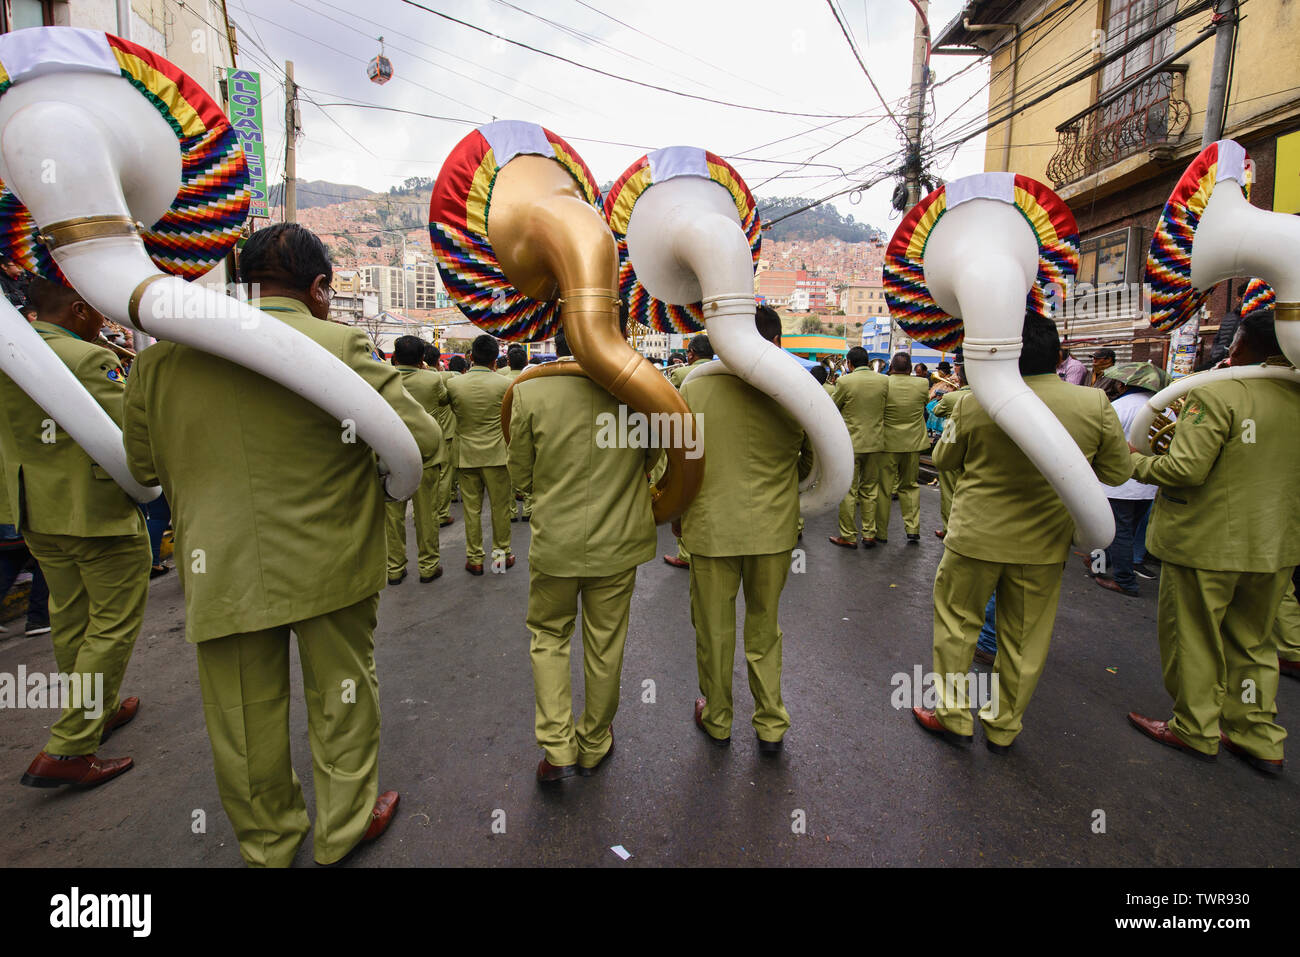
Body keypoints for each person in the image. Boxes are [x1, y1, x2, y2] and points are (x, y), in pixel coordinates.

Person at [123, 223, 441, 866]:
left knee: (242, 719)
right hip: (333, 566)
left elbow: (142, 467)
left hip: (221, 570)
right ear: (321, 287)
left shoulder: (160, 360)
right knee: (343, 696)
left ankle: (268, 842)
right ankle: (345, 827)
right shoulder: (340, 341)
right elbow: (423, 442)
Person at [913, 313, 1130, 752]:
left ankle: (954, 715)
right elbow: (1117, 471)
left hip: (975, 536)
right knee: (1024, 637)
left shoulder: (972, 402)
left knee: (957, 625)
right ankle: (1004, 724)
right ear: (1058, 355)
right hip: (1044, 543)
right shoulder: (1094, 404)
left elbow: (944, 459)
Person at [1126, 312, 1300, 775]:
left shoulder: (1216, 392)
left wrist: (1137, 463)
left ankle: (1195, 727)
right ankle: (1256, 735)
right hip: (1276, 543)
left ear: (1239, 344)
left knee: (1195, 637)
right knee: (1254, 642)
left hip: (1206, 542)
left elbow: (1184, 470)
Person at [0, 278, 151, 790]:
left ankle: (96, 710)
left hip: (35, 508)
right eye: (99, 314)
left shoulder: (10, 352)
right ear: (80, 309)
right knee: (112, 624)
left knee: (72, 618)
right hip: (96, 510)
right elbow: (131, 432)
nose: (104, 324)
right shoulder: (87, 359)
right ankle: (69, 747)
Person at [510, 329, 659, 782]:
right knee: (605, 644)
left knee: (548, 638)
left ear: (556, 345)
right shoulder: (639, 391)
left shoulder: (529, 392)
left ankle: (557, 748)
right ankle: (594, 742)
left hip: (555, 542)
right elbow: (652, 459)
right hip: (619, 544)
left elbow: (520, 473)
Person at [681, 306, 812, 753]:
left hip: (710, 527)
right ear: (777, 342)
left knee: (713, 630)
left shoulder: (695, 388)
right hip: (774, 530)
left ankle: (718, 718)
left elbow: (676, 460)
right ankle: (771, 722)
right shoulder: (797, 389)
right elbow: (813, 461)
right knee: (765, 627)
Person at [442, 334, 513, 575]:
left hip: (466, 455)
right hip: (497, 456)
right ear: (496, 360)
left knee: (471, 510)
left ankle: (474, 559)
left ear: (471, 357)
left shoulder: (453, 385)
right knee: (500, 508)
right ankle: (501, 556)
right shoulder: (505, 385)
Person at [1093, 363, 1163, 597]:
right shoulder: (1166, 410)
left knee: (1114, 532)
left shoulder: (1119, 406)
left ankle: (1122, 579)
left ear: (1123, 384)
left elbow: (1101, 442)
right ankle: (1098, 563)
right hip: (1149, 484)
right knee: (1126, 531)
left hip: (1119, 484)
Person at [384, 335, 446, 585]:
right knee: (426, 513)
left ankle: (395, 568)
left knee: (392, 513)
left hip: (389, 453)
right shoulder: (433, 379)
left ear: (394, 357)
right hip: (426, 454)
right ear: (423, 360)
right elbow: (443, 400)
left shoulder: (382, 380)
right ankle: (428, 565)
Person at [663, 334, 715, 568]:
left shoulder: (681, 374)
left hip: (689, 440)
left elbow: (669, 406)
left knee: (688, 494)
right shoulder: (721, 370)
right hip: (715, 439)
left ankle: (685, 553)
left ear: (691, 353)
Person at [828, 346, 887, 549]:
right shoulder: (883, 381)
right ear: (868, 362)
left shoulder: (845, 381)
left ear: (850, 364)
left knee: (849, 491)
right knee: (870, 489)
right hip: (877, 442)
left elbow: (832, 408)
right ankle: (869, 533)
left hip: (851, 444)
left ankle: (849, 535)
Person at [876, 352, 930, 544]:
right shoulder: (923, 384)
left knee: (884, 489)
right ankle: (913, 528)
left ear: (891, 368)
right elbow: (924, 404)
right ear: (910, 369)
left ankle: (881, 532)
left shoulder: (883, 382)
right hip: (913, 443)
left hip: (888, 443)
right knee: (910, 486)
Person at [0, 450, 50, 637]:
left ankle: (39, 617)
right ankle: (38, 617)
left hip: (6, 515)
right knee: (45, 560)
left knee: (9, 561)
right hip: (23, 509)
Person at [930, 361, 968, 540]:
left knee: (948, 491)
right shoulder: (986, 398)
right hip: (975, 449)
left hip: (952, 441)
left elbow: (936, 411)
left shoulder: (952, 398)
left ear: (959, 380)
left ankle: (948, 529)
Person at [424, 343, 458, 528]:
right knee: (444, 474)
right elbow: (447, 399)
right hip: (443, 433)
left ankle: (419, 513)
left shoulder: (397, 377)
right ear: (438, 360)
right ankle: (442, 513)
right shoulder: (446, 377)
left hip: (413, 434)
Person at [500, 344, 531, 522]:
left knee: (508, 469)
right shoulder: (532, 378)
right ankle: (528, 508)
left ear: (508, 361)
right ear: (526, 361)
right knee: (529, 464)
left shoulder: (501, 378)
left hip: (506, 429)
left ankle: (511, 510)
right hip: (527, 427)